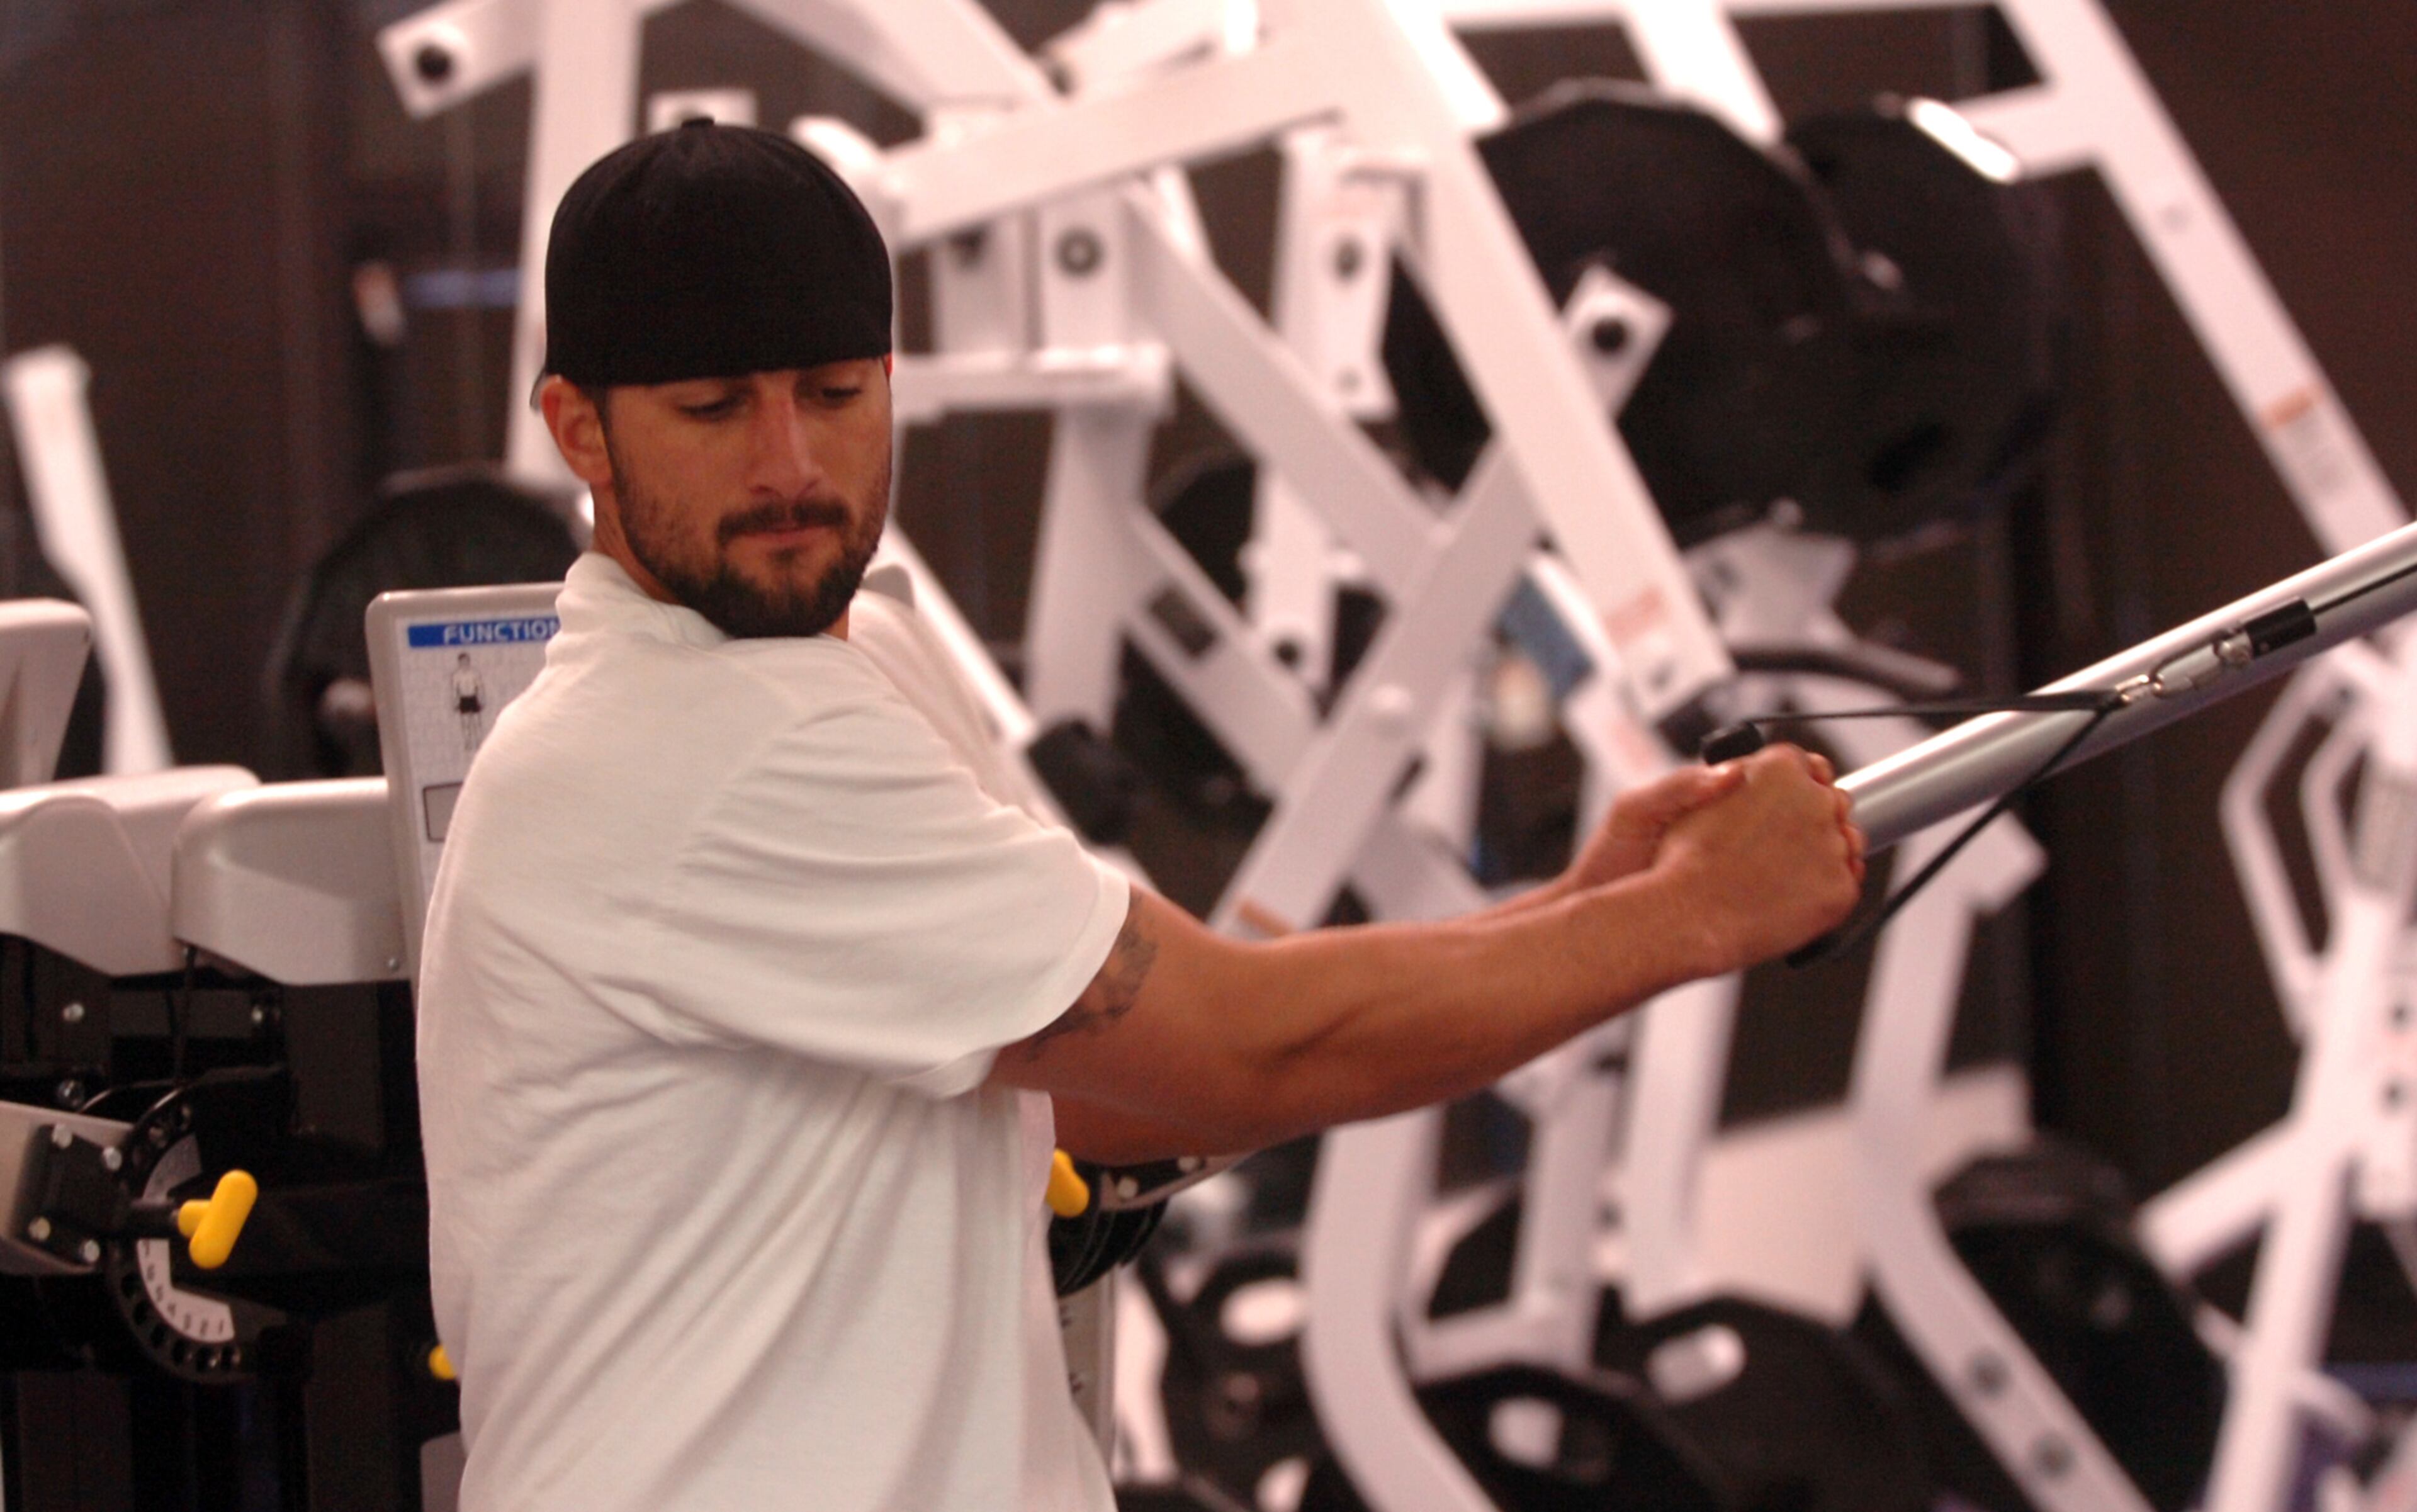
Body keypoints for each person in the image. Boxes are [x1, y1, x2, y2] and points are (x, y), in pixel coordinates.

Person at [415, 121, 1864, 1512]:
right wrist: (1691, 915)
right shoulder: (691, 742)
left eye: (838, 391)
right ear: (579, 432)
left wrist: (1588, 902)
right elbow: (1240, 1046)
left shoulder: (864, 656)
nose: (792, 462)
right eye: (716, 408)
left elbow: (1095, 1076)